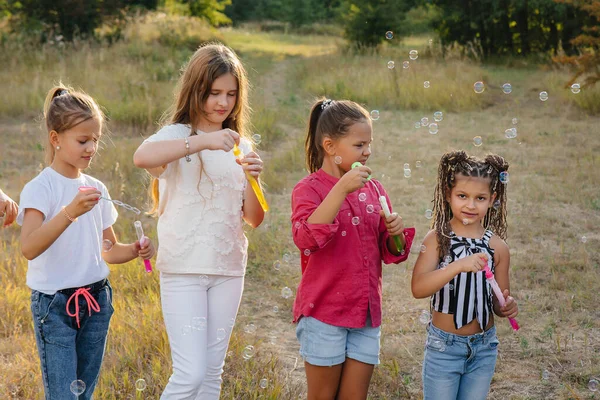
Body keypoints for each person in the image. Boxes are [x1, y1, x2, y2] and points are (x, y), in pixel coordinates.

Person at [133, 43, 265, 399]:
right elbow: (142, 157)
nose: (223, 103)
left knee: (210, 376)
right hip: (184, 269)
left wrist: (252, 178)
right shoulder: (178, 136)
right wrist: (204, 141)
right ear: (196, 91)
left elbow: (254, 218)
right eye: (213, 93)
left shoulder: (242, 145)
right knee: (189, 374)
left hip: (228, 268)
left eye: (231, 94)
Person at [18, 85, 155, 399]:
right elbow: (29, 247)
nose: (91, 147)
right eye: (83, 140)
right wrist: (70, 212)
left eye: (95, 139)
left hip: (96, 303)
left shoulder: (95, 187)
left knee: (83, 393)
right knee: (64, 395)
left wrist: (134, 251)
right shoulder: (41, 189)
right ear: (56, 139)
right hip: (54, 308)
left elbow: (108, 250)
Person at [290, 98, 415, 400]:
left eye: (369, 144)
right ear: (330, 146)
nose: (367, 152)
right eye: (359, 145)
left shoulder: (374, 189)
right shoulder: (308, 190)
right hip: (324, 313)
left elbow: (391, 250)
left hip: (366, 314)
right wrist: (341, 189)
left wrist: (395, 234)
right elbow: (306, 237)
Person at [411, 150, 519, 400]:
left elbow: (498, 301)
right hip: (444, 347)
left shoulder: (498, 247)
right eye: (462, 196)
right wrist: (457, 266)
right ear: (448, 195)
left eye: (480, 198)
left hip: (484, 347)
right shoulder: (438, 239)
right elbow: (418, 288)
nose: (471, 205)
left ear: (492, 199)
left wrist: (507, 306)